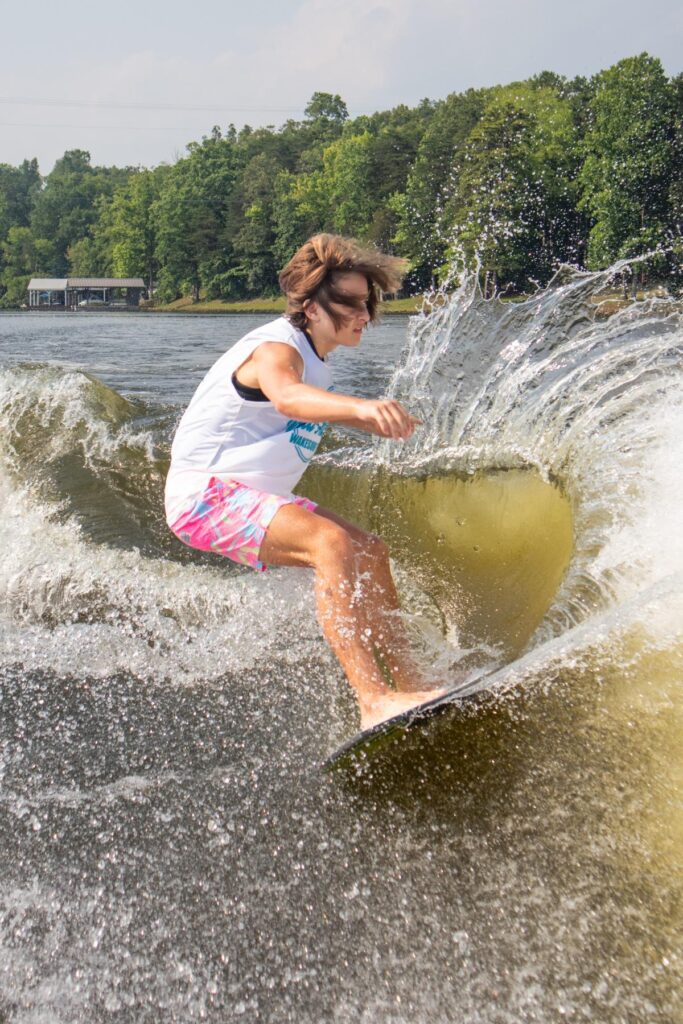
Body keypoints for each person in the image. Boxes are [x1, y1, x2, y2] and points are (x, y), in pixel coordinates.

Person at [165, 234, 445, 730]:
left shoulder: (316, 358)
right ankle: (373, 700)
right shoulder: (277, 349)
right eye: (353, 303)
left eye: (369, 301)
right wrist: (362, 407)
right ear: (313, 307)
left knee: (369, 550)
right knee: (331, 544)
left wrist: (380, 420)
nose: (366, 313)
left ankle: (410, 682)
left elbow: (307, 405)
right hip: (205, 497)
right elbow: (289, 398)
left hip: (253, 495)